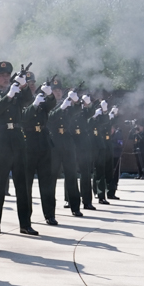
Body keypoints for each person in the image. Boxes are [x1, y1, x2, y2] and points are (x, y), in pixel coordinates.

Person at [0, 62, 38, 235]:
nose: (5, 78)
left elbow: (29, 101)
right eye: (1, 75)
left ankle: (25, 223)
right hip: (1, 139)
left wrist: (22, 85)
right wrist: (9, 96)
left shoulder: (16, 92)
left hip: (17, 137)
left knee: (22, 185)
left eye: (8, 75)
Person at [21, 71, 59, 225]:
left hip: (43, 141)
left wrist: (49, 94)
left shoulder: (41, 97)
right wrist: (34, 104)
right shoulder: (19, 99)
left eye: (33, 83)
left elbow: (51, 105)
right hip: (27, 142)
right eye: (29, 84)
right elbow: (23, 117)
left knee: (47, 181)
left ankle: (50, 214)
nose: (32, 86)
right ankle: (26, 217)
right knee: (26, 183)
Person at [48, 80, 84, 217]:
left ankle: (75, 206)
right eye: (54, 89)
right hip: (53, 142)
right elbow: (49, 119)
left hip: (67, 142)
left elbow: (78, 111)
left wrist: (75, 100)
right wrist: (61, 108)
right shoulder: (47, 104)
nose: (57, 92)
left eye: (59, 90)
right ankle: (50, 209)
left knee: (72, 175)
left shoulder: (67, 104)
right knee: (52, 177)